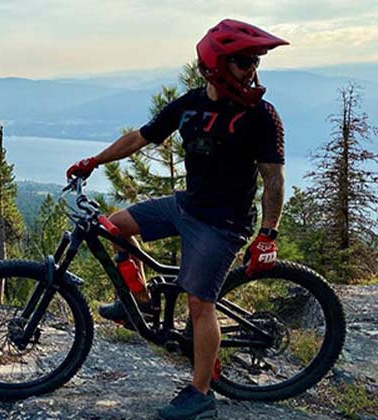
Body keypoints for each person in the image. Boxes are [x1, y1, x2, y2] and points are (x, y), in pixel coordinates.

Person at [66, 19, 288, 420]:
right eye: (243, 62)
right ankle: (144, 304)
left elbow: (274, 179)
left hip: (223, 223)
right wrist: (94, 162)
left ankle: (201, 394)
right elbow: (140, 138)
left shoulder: (261, 116)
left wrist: (267, 236)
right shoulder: (189, 105)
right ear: (215, 65)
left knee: (200, 304)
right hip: (187, 205)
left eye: (254, 61)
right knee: (114, 226)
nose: (252, 70)